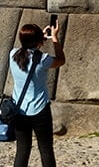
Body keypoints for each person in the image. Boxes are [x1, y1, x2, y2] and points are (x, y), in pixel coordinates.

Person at [10, 21, 65, 167]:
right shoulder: (44, 59)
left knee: (22, 150)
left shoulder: (12, 55)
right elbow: (61, 60)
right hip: (40, 110)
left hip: (19, 109)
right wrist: (54, 38)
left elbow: (28, 48)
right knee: (46, 150)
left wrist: (39, 36)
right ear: (38, 40)